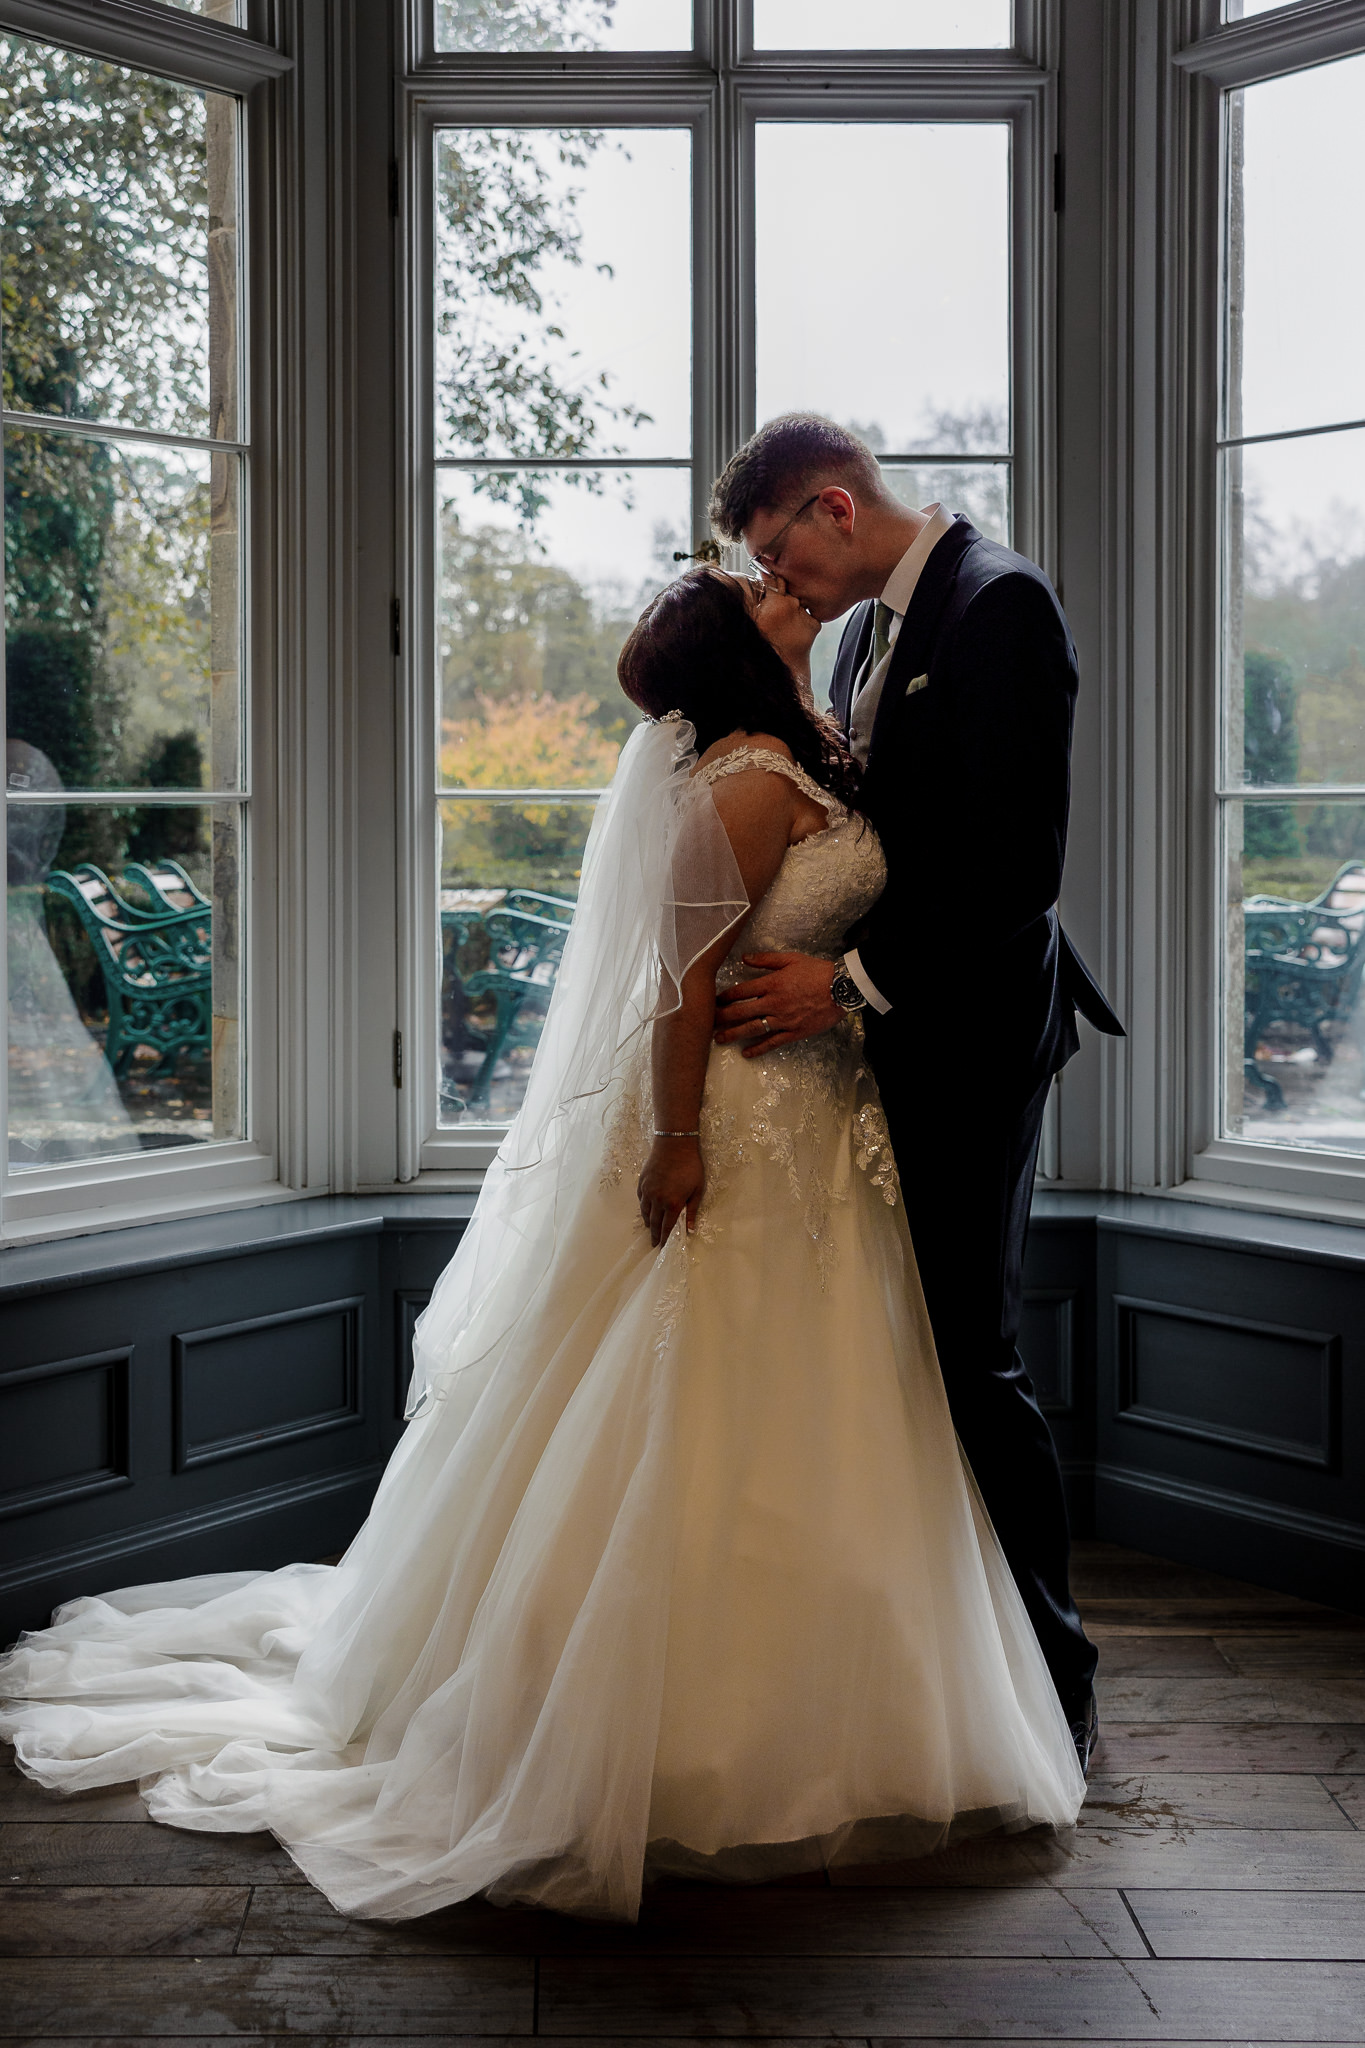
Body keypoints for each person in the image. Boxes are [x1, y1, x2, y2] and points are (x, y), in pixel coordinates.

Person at [0, 566, 1084, 1924]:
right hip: (747, 1128)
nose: (776, 584)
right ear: (733, 656)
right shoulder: (747, 778)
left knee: (840, 1413)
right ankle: (674, 1735)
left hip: (825, 1122)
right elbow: (675, 990)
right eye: (750, 587)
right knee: (714, 1407)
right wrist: (675, 1141)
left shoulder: (805, 741)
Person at [706, 416, 1125, 1775]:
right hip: (892, 1043)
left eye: (781, 554)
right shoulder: (860, 631)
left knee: (972, 1356)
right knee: (921, 1353)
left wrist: (848, 988)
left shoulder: (999, 603)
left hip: (976, 1034)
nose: (783, 586)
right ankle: (955, 1669)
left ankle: (1054, 1684)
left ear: (834, 507)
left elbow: (1016, 868)